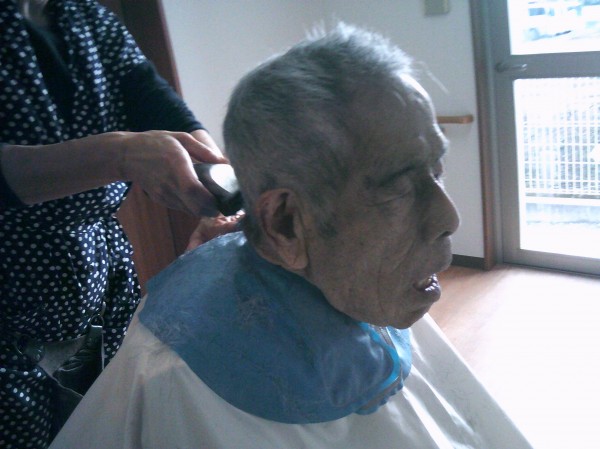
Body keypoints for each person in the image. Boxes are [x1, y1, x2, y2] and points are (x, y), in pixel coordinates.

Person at [50, 24, 533, 448]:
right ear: (284, 225)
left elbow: (146, 92)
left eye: (436, 170)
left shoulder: (85, 20)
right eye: (398, 189)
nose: (450, 218)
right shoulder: (172, 378)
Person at [0, 0, 229, 448]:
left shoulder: (87, 19)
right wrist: (121, 154)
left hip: (103, 304)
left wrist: (221, 184)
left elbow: (156, 103)